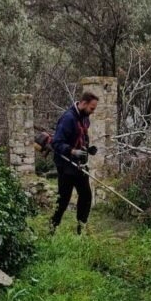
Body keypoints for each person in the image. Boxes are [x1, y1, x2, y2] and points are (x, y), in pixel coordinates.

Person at [50, 91, 99, 234]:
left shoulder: (84, 118)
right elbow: (56, 143)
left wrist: (88, 149)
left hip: (80, 165)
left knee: (86, 196)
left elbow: (81, 138)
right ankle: (52, 227)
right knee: (64, 199)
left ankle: (81, 228)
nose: (93, 112)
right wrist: (72, 151)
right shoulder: (68, 118)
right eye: (92, 108)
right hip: (66, 165)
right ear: (83, 103)